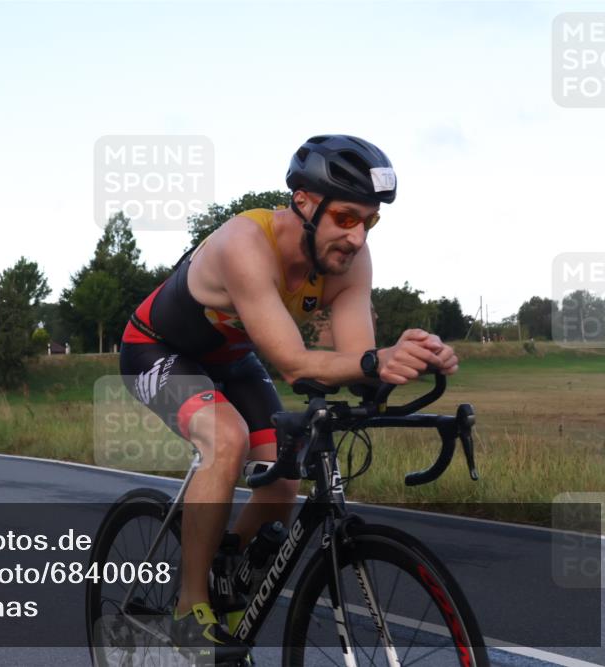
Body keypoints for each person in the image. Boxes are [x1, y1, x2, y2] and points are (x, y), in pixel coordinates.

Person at [118, 134, 459, 663]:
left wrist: (414, 361)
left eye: (369, 221)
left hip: (229, 359)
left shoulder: (351, 262)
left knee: (287, 466)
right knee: (225, 437)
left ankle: (226, 569)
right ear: (303, 202)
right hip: (156, 348)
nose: (356, 236)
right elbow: (297, 363)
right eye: (346, 217)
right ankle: (189, 605)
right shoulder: (244, 243)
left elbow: (357, 362)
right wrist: (375, 360)